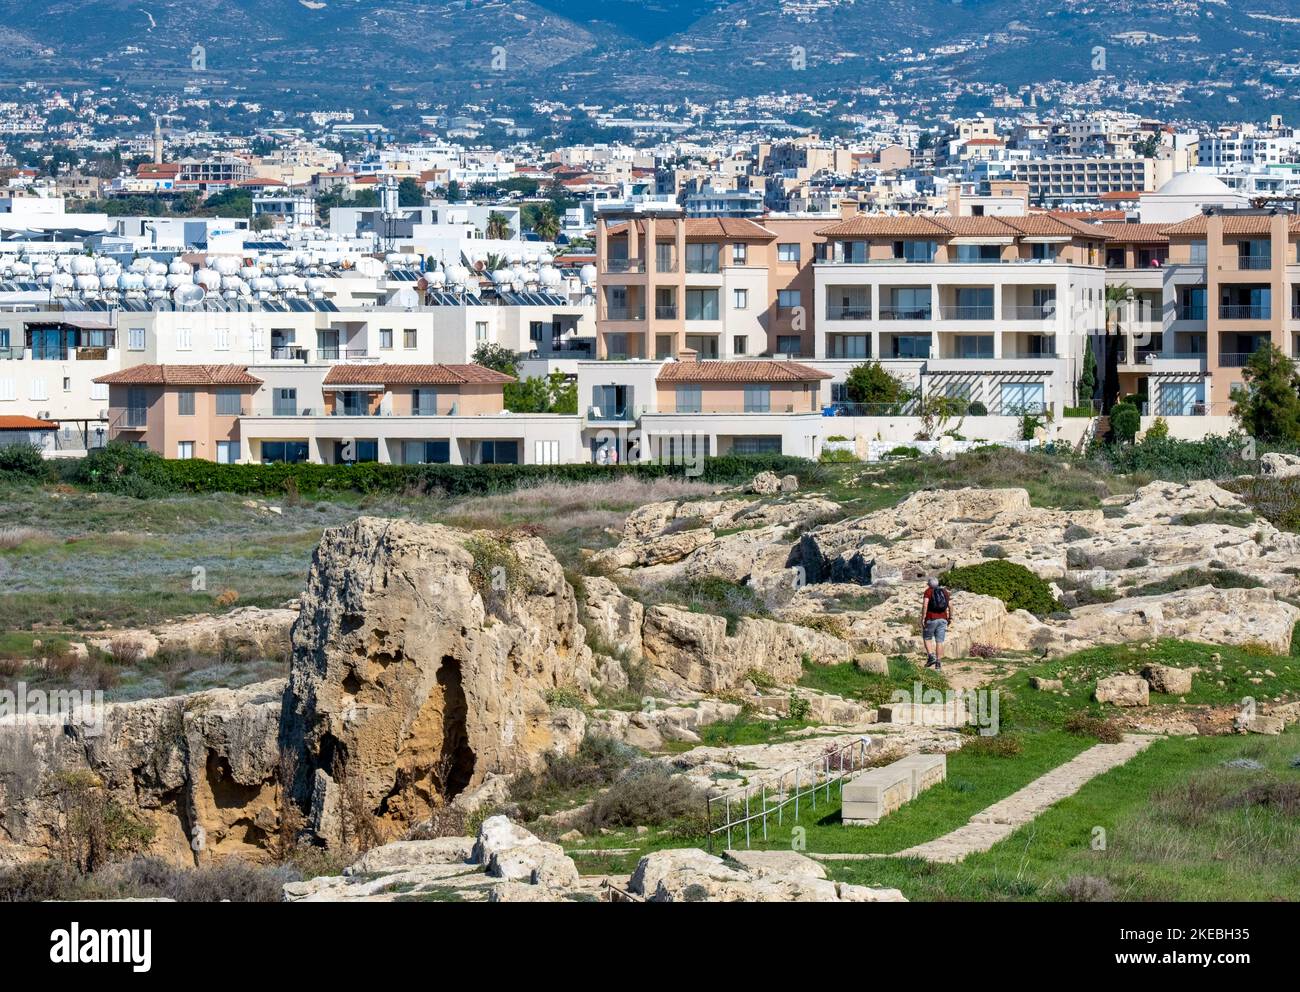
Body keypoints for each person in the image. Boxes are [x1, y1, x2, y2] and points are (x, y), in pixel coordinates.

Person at [920, 576, 952, 670]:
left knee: (927, 637)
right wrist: (950, 617)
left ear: (929, 584)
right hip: (943, 619)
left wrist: (923, 618)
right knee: (939, 641)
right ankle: (938, 663)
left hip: (931, 618)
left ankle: (931, 656)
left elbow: (925, 605)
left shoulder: (928, 591)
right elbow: (951, 605)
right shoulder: (945, 591)